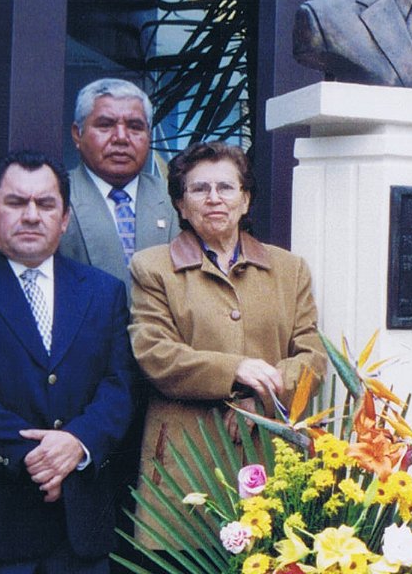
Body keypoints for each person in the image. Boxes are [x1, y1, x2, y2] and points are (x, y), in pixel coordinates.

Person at [0, 150, 138, 573]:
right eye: (16, 202)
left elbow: (120, 384)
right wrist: (35, 456)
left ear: (65, 218)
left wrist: (78, 443)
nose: (32, 216)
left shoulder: (103, 291)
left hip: (81, 529)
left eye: (46, 204)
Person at [126, 142, 328, 548]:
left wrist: (262, 398)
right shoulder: (152, 267)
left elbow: (313, 358)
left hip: (270, 460)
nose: (214, 198)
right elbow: (155, 353)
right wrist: (236, 369)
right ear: (181, 205)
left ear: (245, 200)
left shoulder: (290, 269)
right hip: (185, 464)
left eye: (226, 187)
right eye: (199, 189)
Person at [57, 78, 176, 287]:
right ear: (77, 134)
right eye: (105, 125)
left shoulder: (174, 198)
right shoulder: (55, 198)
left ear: (149, 136)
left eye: (135, 127)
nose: (121, 138)